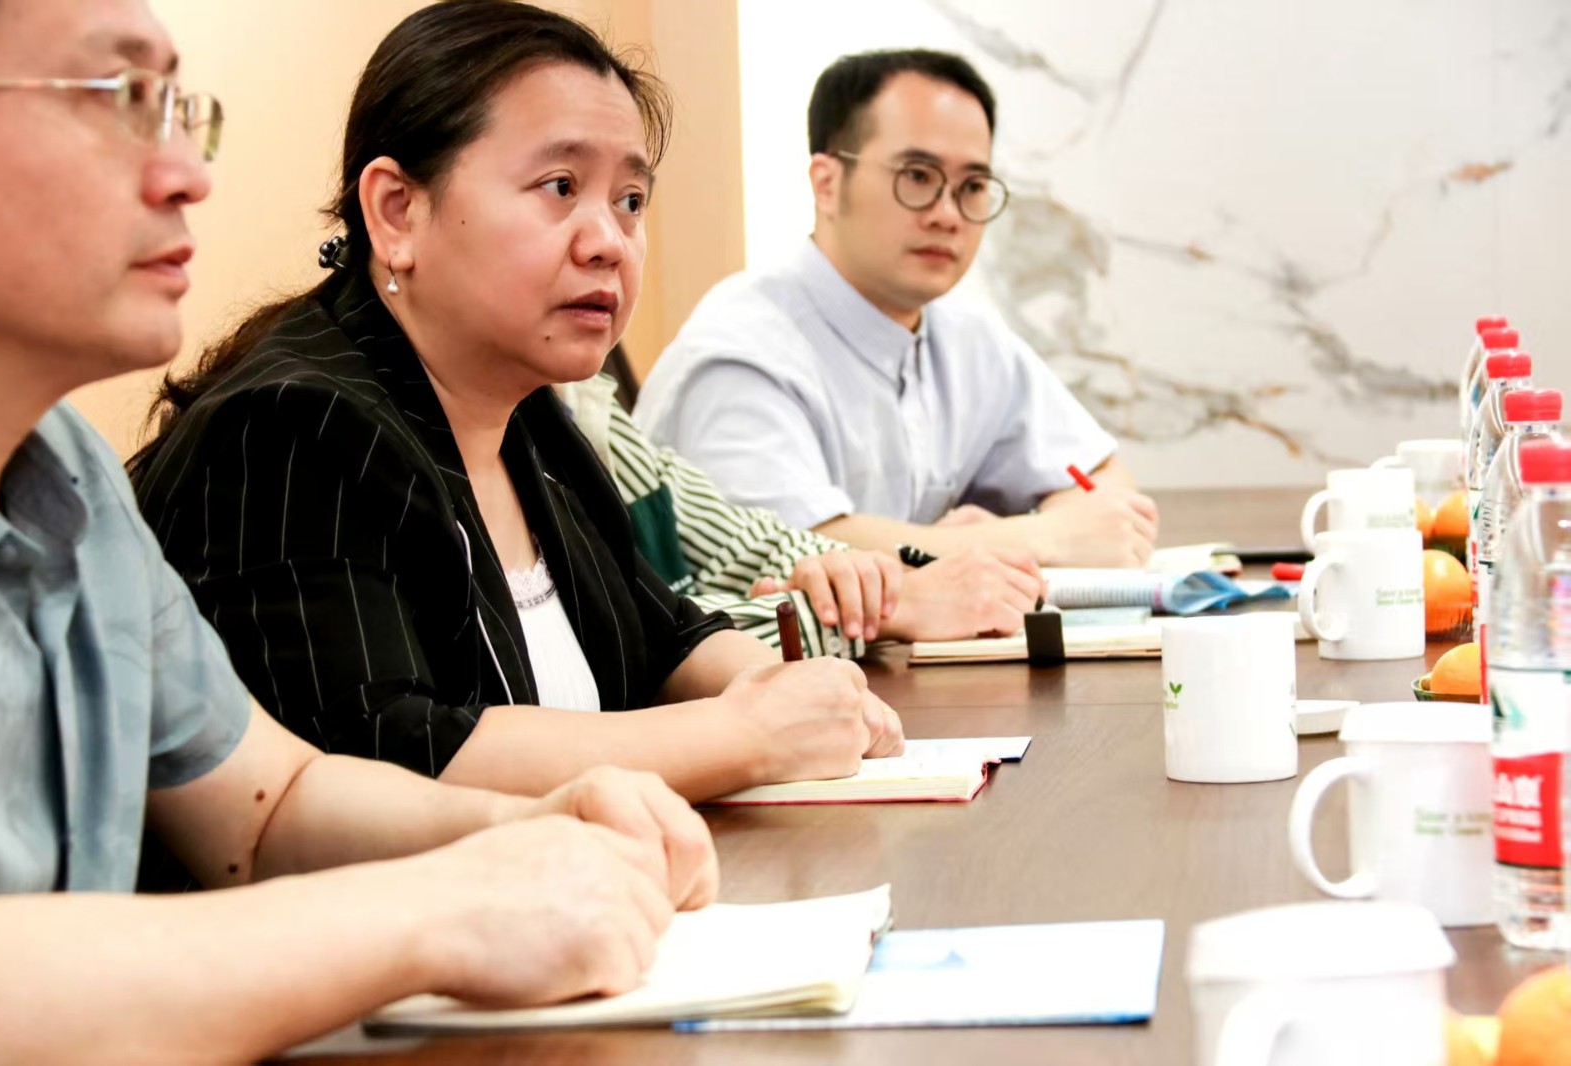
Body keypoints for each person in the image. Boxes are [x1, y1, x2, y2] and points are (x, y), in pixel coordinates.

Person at [0, 0, 723, 1060]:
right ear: (394, 212)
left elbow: (268, 804)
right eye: (119, 98)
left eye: (178, 109)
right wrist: (443, 907)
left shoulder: (68, 473)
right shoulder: (294, 419)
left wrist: (535, 827)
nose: (187, 173)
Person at [130, 1, 904, 806]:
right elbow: (386, 755)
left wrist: (793, 692)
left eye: (630, 200)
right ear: (397, 210)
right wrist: (748, 735)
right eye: (560, 187)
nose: (609, 242)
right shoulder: (292, 429)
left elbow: (660, 632)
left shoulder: (526, 413)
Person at [635, 49, 1160, 568]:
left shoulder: (966, 335)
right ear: (827, 184)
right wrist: (1033, 539)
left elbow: (1108, 494)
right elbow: (800, 556)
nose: (948, 214)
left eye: (973, 186)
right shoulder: (741, 354)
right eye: (918, 176)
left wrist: (1012, 533)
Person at [558, 371, 1049, 651]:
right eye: (554, 226)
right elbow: (626, 652)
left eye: (631, 220)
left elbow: (747, 545)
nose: (607, 246)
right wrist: (887, 607)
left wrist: (862, 582)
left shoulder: (583, 400)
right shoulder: (737, 356)